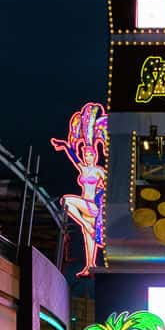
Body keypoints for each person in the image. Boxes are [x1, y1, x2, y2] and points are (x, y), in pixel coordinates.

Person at [51, 102, 108, 276]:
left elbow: (109, 185)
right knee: (88, 236)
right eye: (85, 154)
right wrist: (64, 146)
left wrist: (104, 192)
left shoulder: (99, 170)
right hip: (84, 207)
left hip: (92, 206)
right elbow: (74, 157)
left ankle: (85, 225)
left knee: (65, 200)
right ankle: (89, 266)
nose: (87, 156)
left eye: (90, 154)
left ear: (94, 155)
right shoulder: (83, 169)